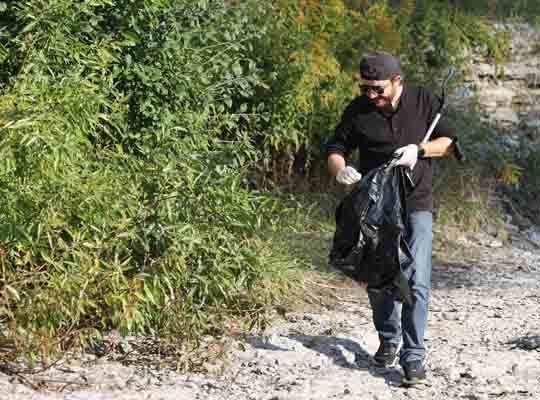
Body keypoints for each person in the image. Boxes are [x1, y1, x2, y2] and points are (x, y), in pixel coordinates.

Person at [326, 51, 456, 386]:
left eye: (377, 89)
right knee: (380, 275)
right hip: (375, 206)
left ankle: (413, 356)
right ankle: (388, 338)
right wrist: (342, 170)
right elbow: (335, 148)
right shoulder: (358, 110)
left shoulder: (425, 100)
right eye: (364, 87)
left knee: (416, 279)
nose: (370, 95)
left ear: (397, 81)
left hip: (416, 203)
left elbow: (448, 142)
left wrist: (419, 150)